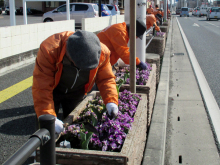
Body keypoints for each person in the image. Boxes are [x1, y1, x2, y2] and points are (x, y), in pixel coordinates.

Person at [32, 30, 119, 134]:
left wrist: (111, 102)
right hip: (53, 90)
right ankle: (41, 149)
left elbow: (106, 79)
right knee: (46, 129)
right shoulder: (50, 49)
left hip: (77, 91)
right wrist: (48, 115)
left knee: (73, 127)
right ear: (68, 54)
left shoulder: (102, 53)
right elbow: (42, 86)